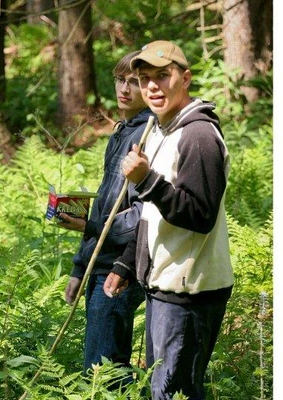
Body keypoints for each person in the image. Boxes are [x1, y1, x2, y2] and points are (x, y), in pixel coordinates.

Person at [103, 40, 234, 399]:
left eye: (163, 76)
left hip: (190, 293)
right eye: (145, 78)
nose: (152, 87)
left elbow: (200, 215)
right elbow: (152, 215)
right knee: (163, 390)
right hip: (164, 286)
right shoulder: (162, 130)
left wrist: (146, 180)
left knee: (173, 393)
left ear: (185, 78)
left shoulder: (198, 135)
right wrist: (127, 264)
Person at [57, 51, 154, 379]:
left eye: (135, 82)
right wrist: (79, 266)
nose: (124, 88)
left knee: (102, 376)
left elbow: (143, 216)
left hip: (120, 268)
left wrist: (90, 227)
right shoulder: (121, 131)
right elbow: (106, 203)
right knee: (101, 371)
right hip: (99, 264)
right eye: (120, 79)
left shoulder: (149, 136)